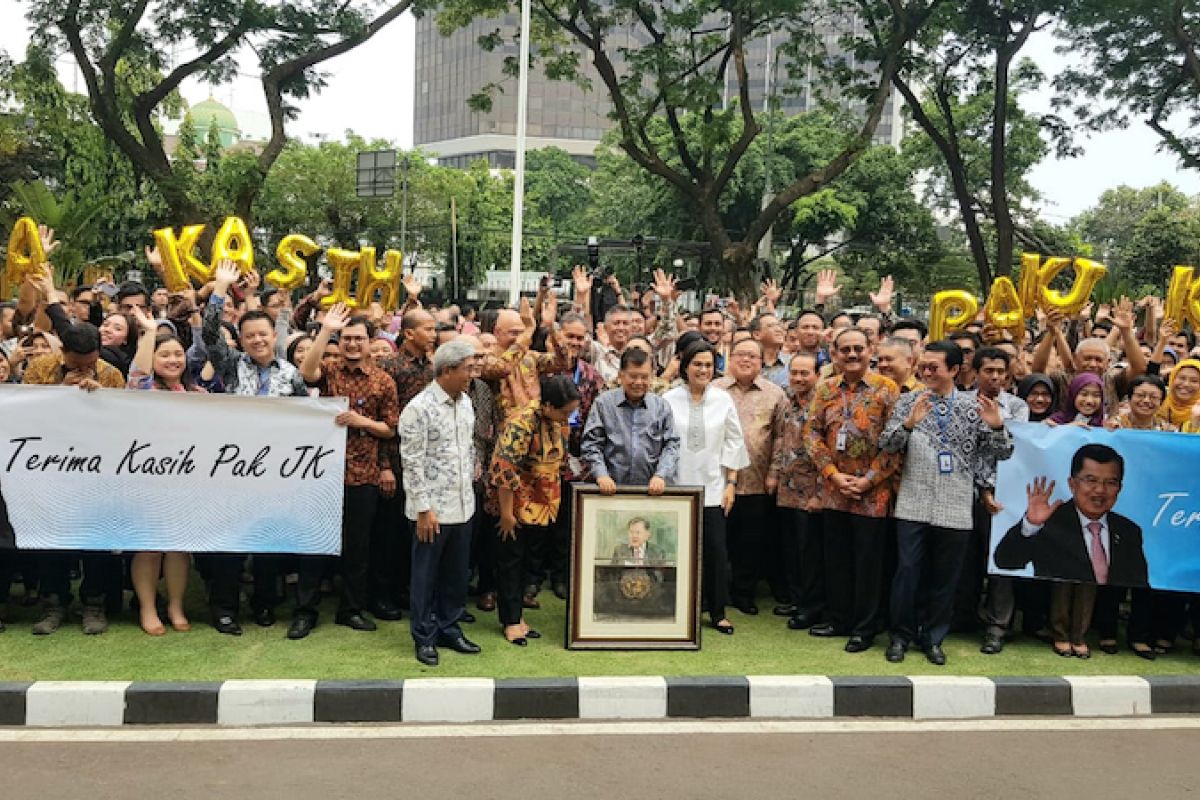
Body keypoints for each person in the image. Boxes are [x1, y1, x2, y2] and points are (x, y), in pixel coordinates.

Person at [880, 341, 1013, 665]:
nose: (926, 372)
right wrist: (909, 423)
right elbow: (887, 444)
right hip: (913, 501)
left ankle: (934, 637)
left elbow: (1000, 454)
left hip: (955, 504)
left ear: (954, 369)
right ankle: (900, 635)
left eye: (933, 367)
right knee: (908, 570)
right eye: (923, 366)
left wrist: (997, 427)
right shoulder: (909, 401)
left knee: (945, 577)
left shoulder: (974, 407)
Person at [200, 263, 308, 634]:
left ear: (272, 336)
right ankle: (225, 609)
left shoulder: (290, 373)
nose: (258, 340)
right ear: (241, 340)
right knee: (230, 544)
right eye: (250, 336)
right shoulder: (230, 367)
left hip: (275, 472)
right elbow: (210, 332)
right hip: (233, 470)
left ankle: (265, 604)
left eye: (263, 334)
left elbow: (304, 419)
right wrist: (221, 289)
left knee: (267, 543)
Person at [294, 303, 400, 639]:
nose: (352, 344)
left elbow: (391, 429)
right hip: (323, 472)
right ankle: (305, 611)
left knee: (358, 548)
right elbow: (305, 374)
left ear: (370, 342)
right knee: (315, 545)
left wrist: (362, 422)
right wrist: (326, 329)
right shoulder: (329, 370)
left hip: (364, 473)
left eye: (358, 339)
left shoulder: (383, 381)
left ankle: (351, 609)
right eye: (346, 338)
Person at [994, 444, 1150, 659]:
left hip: (1100, 601)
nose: (1100, 490)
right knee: (1065, 583)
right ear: (1072, 483)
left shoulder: (1129, 531)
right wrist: (1030, 524)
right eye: (1091, 480)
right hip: (1054, 594)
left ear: (1119, 488)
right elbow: (1005, 561)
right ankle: (1060, 635)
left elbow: (1138, 579)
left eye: (1110, 482)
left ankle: (1079, 637)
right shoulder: (1052, 520)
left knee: (1088, 588)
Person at [22, 322, 126, 635]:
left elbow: (122, 422)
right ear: (63, 353)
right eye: (76, 364)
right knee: (52, 540)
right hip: (49, 468)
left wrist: (100, 399)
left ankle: (93, 603)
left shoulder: (111, 375)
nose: (84, 369)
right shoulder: (40, 369)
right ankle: (54, 603)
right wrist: (60, 394)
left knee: (95, 538)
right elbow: (22, 414)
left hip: (95, 470)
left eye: (89, 363)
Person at [803, 327, 900, 652]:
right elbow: (811, 433)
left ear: (870, 350)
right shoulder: (826, 389)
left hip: (873, 494)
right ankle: (837, 618)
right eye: (846, 349)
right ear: (835, 353)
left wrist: (869, 479)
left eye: (859, 348)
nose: (853, 354)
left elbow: (896, 442)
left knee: (868, 564)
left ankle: (865, 627)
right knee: (837, 559)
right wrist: (832, 474)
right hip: (835, 490)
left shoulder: (887, 390)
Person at [400, 339, 482, 666]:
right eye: (467, 369)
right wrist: (422, 508)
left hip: (463, 504)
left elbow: (468, 447)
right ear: (447, 370)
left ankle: (449, 627)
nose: (471, 376)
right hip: (431, 510)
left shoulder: (465, 402)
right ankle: (424, 635)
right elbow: (411, 461)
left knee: (456, 574)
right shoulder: (418, 408)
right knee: (425, 575)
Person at [125, 309, 203, 635]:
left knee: (178, 546)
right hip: (148, 478)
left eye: (177, 354)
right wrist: (149, 332)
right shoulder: (145, 390)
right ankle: (147, 607)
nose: (173, 360)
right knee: (149, 545)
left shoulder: (197, 394)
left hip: (184, 481)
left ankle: (175, 605)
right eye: (165, 354)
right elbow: (137, 373)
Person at [487, 375, 580, 645]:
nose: (568, 417)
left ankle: (518, 616)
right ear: (548, 405)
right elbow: (504, 469)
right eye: (565, 412)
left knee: (528, 560)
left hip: (543, 503)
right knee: (510, 562)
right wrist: (506, 514)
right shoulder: (521, 423)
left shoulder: (558, 422)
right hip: (514, 504)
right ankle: (510, 621)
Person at [664, 341, 749, 634]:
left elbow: (734, 442)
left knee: (715, 551)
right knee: (675, 551)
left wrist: (731, 484)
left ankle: (717, 611)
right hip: (675, 488)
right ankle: (675, 607)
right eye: (697, 364)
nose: (703, 370)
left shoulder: (723, 399)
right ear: (685, 366)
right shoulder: (668, 399)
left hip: (713, 488)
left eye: (708, 365)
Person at [715, 338, 788, 615]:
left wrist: (774, 473)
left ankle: (743, 593)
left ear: (762, 362)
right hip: (718, 480)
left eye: (752, 357)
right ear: (730, 358)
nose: (746, 360)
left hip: (757, 480)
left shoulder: (775, 394)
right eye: (740, 355)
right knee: (719, 540)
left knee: (750, 542)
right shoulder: (714, 389)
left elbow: (781, 437)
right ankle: (716, 592)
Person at [772, 352, 825, 631]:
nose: (799, 378)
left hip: (812, 492)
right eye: (794, 373)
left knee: (809, 553)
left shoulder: (823, 403)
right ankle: (796, 599)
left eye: (805, 373)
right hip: (787, 488)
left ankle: (811, 607)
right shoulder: (787, 401)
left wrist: (819, 493)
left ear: (817, 374)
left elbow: (826, 452)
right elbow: (781, 439)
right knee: (791, 550)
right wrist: (774, 474)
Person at [581, 348, 680, 497]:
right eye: (633, 376)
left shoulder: (661, 406)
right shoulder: (603, 404)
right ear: (621, 375)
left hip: (652, 491)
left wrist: (661, 475)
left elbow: (672, 445)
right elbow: (591, 444)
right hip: (611, 491)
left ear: (652, 376)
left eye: (644, 377)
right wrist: (601, 475)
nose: (638, 382)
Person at [1157, 358, 1200, 428]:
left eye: (1194, 381)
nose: (1186, 384)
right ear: (1172, 379)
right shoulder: (1158, 403)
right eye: (1182, 378)